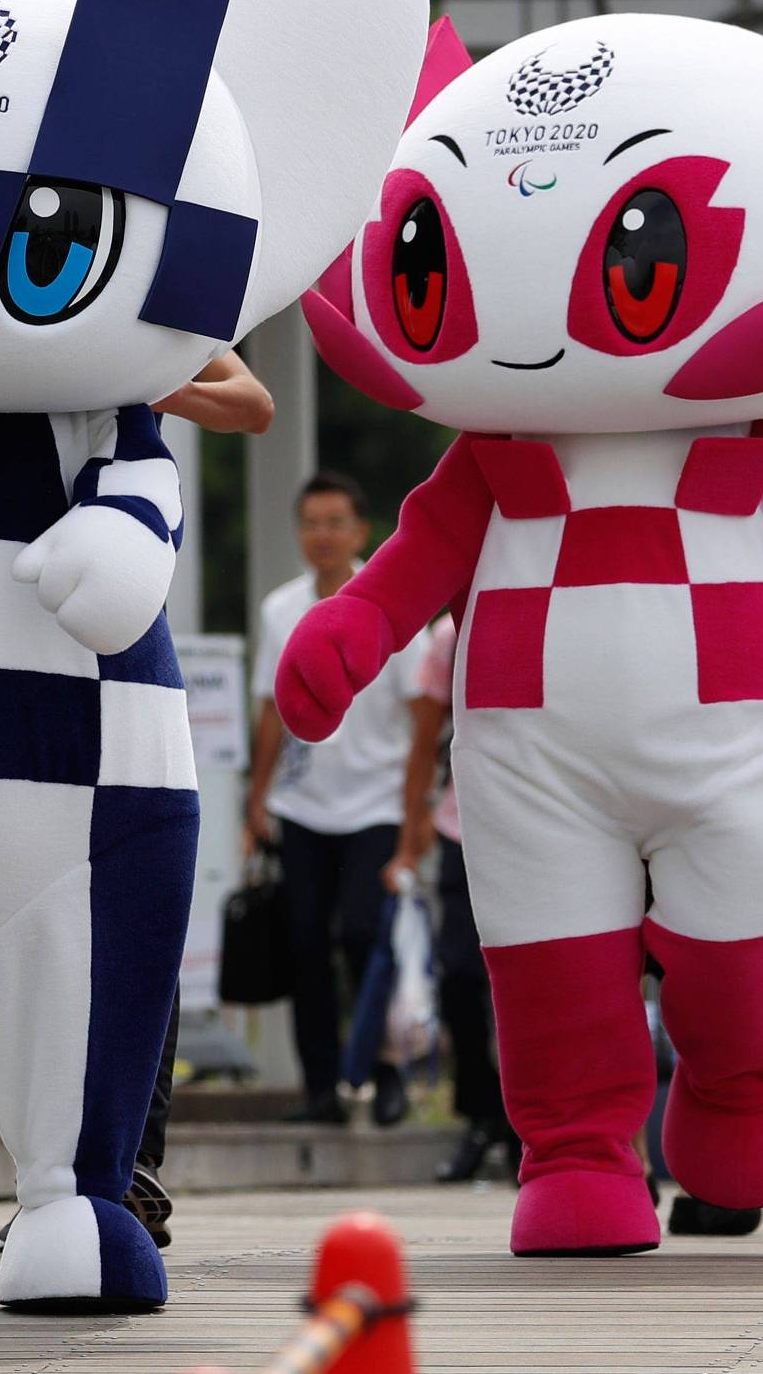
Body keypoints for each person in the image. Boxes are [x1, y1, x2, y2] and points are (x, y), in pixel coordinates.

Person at [245, 471, 426, 1127]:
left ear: (360, 531)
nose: (322, 536)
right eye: (311, 523)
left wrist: (416, 819)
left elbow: (423, 718)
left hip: (376, 804)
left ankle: (384, 1068)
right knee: (304, 944)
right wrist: (254, 799)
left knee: (362, 934)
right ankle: (321, 1086)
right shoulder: (280, 608)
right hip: (303, 805)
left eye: (335, 523)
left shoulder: (391, 602)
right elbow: (271, 708)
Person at [401, 611, 518, 1183]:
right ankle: (479, 1116)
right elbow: (423, 744)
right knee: (462, 977)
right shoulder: (451, 636)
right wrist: (407, 839)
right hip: (462, 830)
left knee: (536, 984)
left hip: (545, 835)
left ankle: (530, 1126)